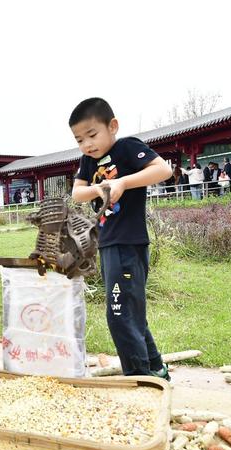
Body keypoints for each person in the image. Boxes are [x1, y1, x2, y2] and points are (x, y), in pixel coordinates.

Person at [70, 97, 172, 380]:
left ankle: (139, 380)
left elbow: (164, 170)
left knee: (119, 314)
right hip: (109, 244)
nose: (87, 144)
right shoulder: (89, 161)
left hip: (128, 243)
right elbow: (77, 192)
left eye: (92, 135)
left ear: (112, 126)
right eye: (80, 140)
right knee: (130, 311)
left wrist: (124, 182)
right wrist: (102, 187)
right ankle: (156, 370)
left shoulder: (127, 148)